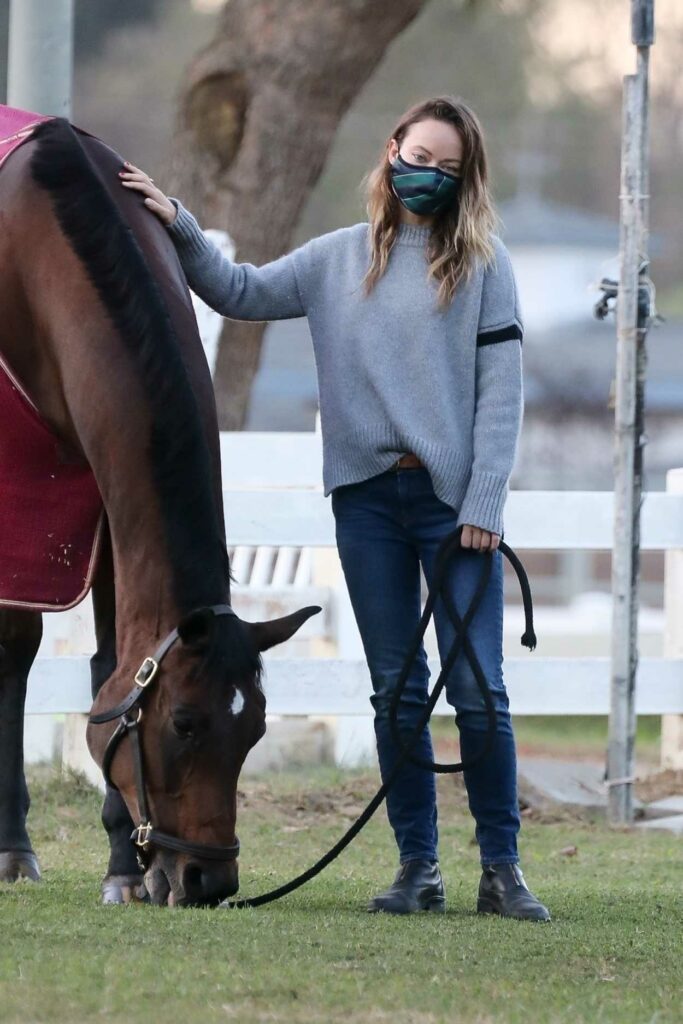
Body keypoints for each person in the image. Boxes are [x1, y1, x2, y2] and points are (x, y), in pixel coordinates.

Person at [119, 95, 550, 922]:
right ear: (391, 150)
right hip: (366, 506)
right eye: (419, 156)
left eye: (448, 169)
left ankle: (502, 869)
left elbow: (501, 396)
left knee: (477, 689)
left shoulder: (483, 266)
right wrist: (177, 220)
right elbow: (236, 289)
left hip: (452, 508)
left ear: (465, 182)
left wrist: (485, 501)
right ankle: (416, 868)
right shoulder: (334, 259)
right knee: (394, 689)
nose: (428, 176)